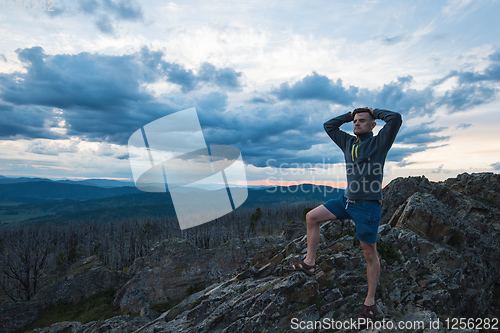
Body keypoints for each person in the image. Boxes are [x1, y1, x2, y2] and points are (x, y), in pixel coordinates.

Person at [284, 107, 402, 323]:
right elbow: (328, 126)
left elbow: (395, 118)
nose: (357, 124)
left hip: (367, 206)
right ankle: (310, 262)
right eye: (355, 121)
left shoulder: (379, 142)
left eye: (362, 121)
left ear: (373, 125)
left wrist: (373, 111)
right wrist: (349, 115)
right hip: (346, 201)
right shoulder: (348, 142)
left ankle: (370, 300)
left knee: (369, 254)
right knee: (312, 217)